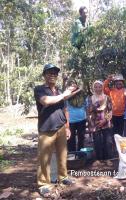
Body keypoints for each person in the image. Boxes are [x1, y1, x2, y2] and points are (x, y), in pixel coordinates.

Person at [34, 63, 79, 197]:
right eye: (49, 73)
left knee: (62, 154)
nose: (52, 75)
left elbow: (65, 109)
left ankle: (63, 177)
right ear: (44, 75)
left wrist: (67, 126)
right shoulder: (39, 89)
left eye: (55, 73)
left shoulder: (59, 91)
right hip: (46, 128)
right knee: (44, 157)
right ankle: (43, 183)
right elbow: (46, 101)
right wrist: (65, 94)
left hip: (61, 127)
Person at [87, 80, 113, 160]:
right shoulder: (90, 98)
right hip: (95, 123)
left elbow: (111, 111)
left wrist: (105, 120)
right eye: (96, 87)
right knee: (97, 142)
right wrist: (91, 125)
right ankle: (98, 159)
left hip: (106, 122)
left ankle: (108, 159)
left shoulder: (107, 97)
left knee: (107, 142)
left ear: (102, 87)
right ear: (93, 88)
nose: (98, 88)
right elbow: (88, 111)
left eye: (99, 86)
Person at [66, 80, 87, 152]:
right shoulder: (66, 95)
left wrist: (88, 118)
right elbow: (65, 99)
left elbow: (86, 106)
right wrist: (77, 91)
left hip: (82, 120)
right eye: (71, 85)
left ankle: (80, 155)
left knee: (81, 139)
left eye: (74, 84)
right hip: (70, 121)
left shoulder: (82, 95)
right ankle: (72, 156)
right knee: (71, 140)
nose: (73, 86)